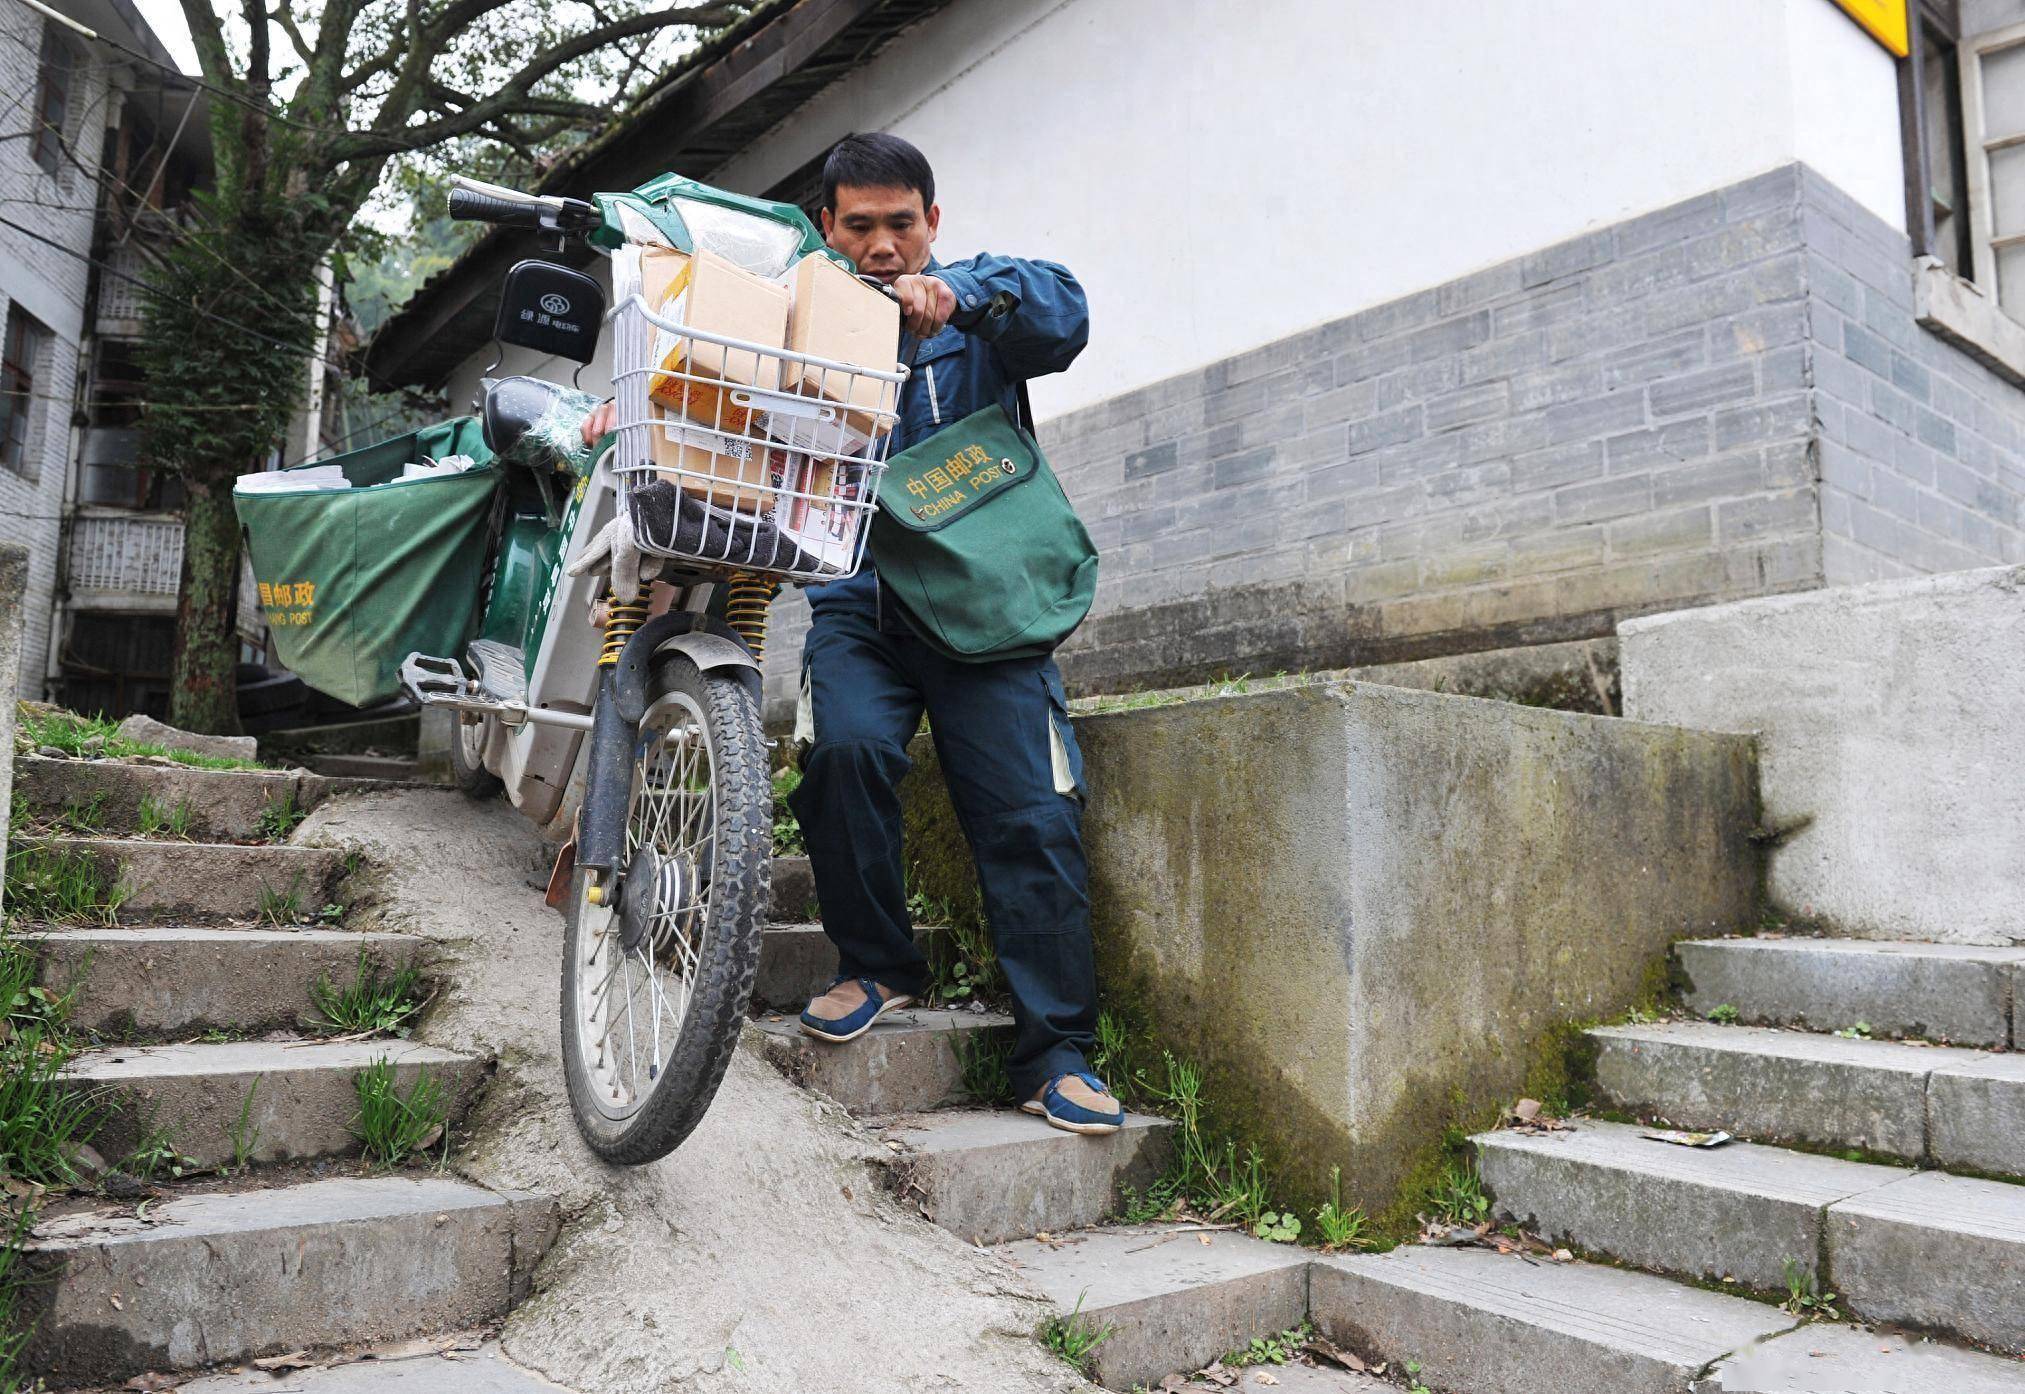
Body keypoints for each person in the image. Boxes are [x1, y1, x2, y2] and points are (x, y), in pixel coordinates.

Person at [583, 133, 1120, 1136]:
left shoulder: (978, 309)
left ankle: (1057, 1050)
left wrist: (958, 292)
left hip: (987, 611)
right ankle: (877, 963)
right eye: (860, 227)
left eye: (901, 225)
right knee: (844, 755)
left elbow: (1067, 310)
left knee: (1032, 816)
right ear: (827, 229)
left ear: (932, 221)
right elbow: (705, 388)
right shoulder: (794, 322)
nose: (882, 246)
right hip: (858, 604)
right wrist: (617, 413)